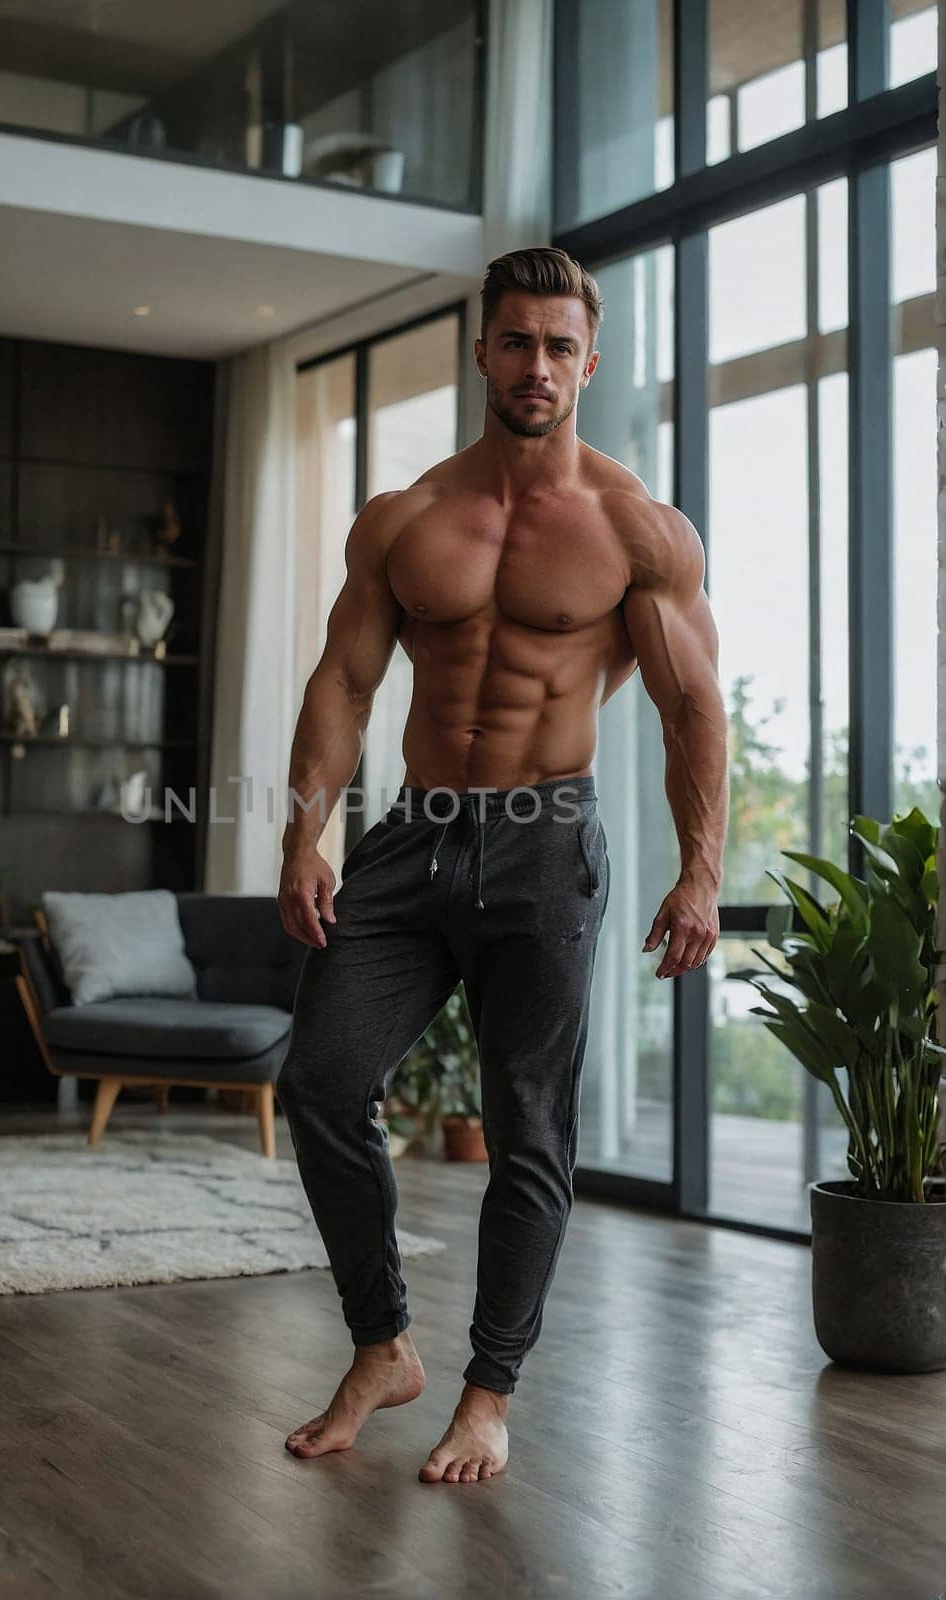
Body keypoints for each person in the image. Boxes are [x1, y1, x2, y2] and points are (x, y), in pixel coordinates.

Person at [273, 245, 727, 1485]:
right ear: (481, 352)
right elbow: (346, 681)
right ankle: (383, 1345)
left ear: (591, 359)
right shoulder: (405, 518)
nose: (537, 365)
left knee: (529, 1126)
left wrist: (701, 869)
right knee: (320, 1077)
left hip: (544, 841)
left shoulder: (638, 529)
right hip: (411, 839)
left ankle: (487, 1390)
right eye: (515, 341)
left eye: (559, 345)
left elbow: (692, 711)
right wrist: (302, 831)